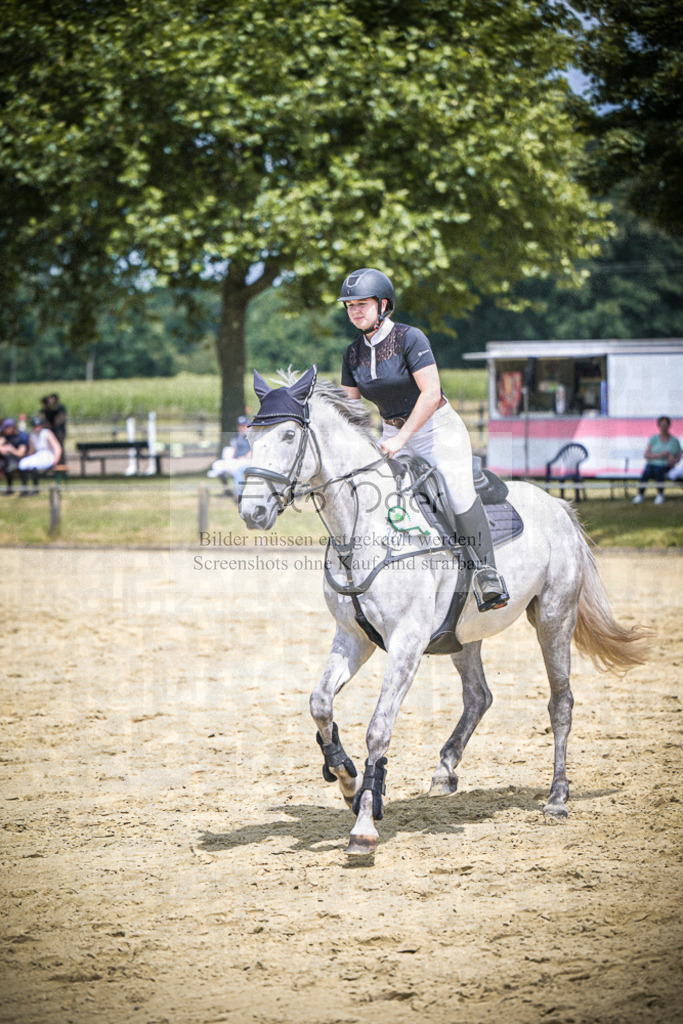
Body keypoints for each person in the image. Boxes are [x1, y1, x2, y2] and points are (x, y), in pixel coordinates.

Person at [337, 267, 508, 612]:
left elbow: (430, 394)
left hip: (436, 431)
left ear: (383, 304)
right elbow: (349, 409)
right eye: (350, 305)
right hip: (391, 433)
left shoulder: (410, 338)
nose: (354, 311)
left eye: (362, 304)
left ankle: (487, 573)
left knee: (457, 491)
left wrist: (402, 439)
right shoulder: (352, 353)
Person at [632, 416, 681, 505]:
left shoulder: (675, 441)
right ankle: (640, 494)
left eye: (665, 424)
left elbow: (678, 457)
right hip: (652, 464)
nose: (664, 427)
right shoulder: (654, 439)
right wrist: (660, 455)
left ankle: (660, 494)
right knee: (647, 471)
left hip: (666, 466)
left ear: (669, 425)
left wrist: (672, 459)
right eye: (662, 424)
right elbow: (646, 455)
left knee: (658, 470)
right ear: (659, 425)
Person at [207, 415, 252, 499]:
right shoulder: (236, 437)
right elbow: (234, 450)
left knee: (239, 470)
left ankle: (238, 494)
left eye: (243, 425)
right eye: (240, 425)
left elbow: (252, 451)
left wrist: (244, 457)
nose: (241, 427)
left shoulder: (251, 436)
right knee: (218, 465)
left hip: (247, 461)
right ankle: (226, 490)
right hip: (237, 460)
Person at [17, 416, 62, 496]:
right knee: (22, 463)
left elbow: (57, 447)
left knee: (34, 465)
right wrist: (27, 458)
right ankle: (24, 489)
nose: (36, 428)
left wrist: (56, 460)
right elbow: (31, 450)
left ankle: (35, 489)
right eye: (35, 426)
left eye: (38, 426)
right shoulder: (32, 435)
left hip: (48, 455)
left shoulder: (47, 433)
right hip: (38, 455)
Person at [0, 418, 29, 494]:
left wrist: (11, 450)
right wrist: (3, 448)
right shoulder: (8, 436)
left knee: (20, 464)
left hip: (22, 459)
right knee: (3, 462)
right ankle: (10, 489)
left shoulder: (22, 436)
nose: (4, 431)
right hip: (10, 459)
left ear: (11, 427)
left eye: (5, 428)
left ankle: (24, 490)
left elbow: (21, 454)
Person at [43, 393, 68, 460]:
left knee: (60, 446)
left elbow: (61, 418)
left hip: (59, 432)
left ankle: (61, 462)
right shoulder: (51, 409)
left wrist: (53, 425)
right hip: (54, 431)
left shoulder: (60, 408)